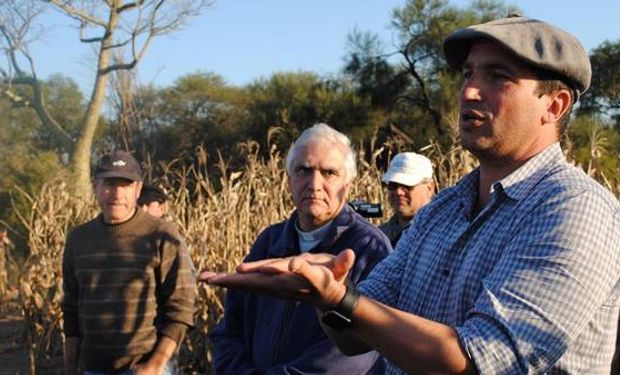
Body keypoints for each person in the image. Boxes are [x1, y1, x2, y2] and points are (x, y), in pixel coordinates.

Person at [200, 15, 620, 374]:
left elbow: (477, 361)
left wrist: (338, 298)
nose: (470, 91)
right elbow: (352, 336)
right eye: (468, 74)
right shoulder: (442, 209)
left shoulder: (575, 211)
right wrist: (326, 300)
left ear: (555, 105)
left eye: (498, 77)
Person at [209, 123, 392, 374]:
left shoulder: (368, 248)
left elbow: (353, 353)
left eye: (329, 173)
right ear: (289, 179)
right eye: (304, 170)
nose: (314, 184)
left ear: (347, 185)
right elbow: (230, 330)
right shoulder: (268, 242)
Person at [62, 150, 196, 375]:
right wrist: (70, 368)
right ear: (95, 186)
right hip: (94, 369)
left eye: (125, 185)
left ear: (138, 189)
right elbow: (71, 309)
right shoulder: (78, 239)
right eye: (108, 184)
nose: (116, 193)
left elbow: (181, 309)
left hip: (147, 366)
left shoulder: (161, 234)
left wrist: (154, 365)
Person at [379, 152, 435, 246]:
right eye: (393, 186)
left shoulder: (440, 235)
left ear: (430, 188)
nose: (398, 192)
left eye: (407, 186)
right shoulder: (378, 236)